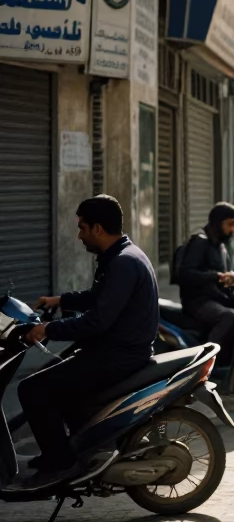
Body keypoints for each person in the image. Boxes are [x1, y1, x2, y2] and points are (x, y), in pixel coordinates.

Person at [17, 196, 158, 487]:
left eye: (82, 228)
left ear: (97, 228)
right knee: (54, 383)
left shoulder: (123, 263)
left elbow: (97, 321)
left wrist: (47, 330)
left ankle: (61, 463)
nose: (79, 235)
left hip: (118, 356)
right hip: (114, 350)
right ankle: (69, 450)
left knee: (32, 388)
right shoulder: (120, 257)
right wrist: (62, 300)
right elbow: (100, 299)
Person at [177, 202, 234, 360]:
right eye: (230, 224)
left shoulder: (221, 246)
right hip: (198, 301)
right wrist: (216, 276)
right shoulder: (200, 242)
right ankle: (206, 361)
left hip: (215, 298)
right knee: (228, 317)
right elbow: (186, 274)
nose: (233, 230)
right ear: (218, 222)